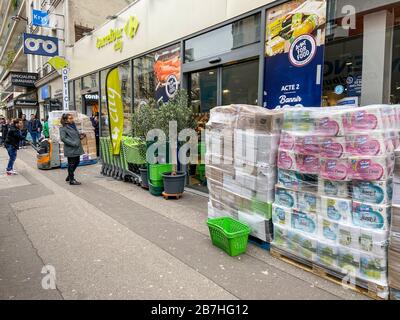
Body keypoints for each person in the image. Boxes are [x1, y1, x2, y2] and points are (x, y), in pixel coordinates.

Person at [60, 113, 85, 186]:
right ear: (66, 120)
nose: (72, 119)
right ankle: (71, 180)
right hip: (70, 148)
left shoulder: (73, 125)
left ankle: (69, 176)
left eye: (72, 118)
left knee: (77, 162)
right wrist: (73, 143)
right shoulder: (63, 128)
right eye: (70, 118)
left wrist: (81, 136)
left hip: (76, 148)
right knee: (71, 164)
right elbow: (63, 138)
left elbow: (75, 135)